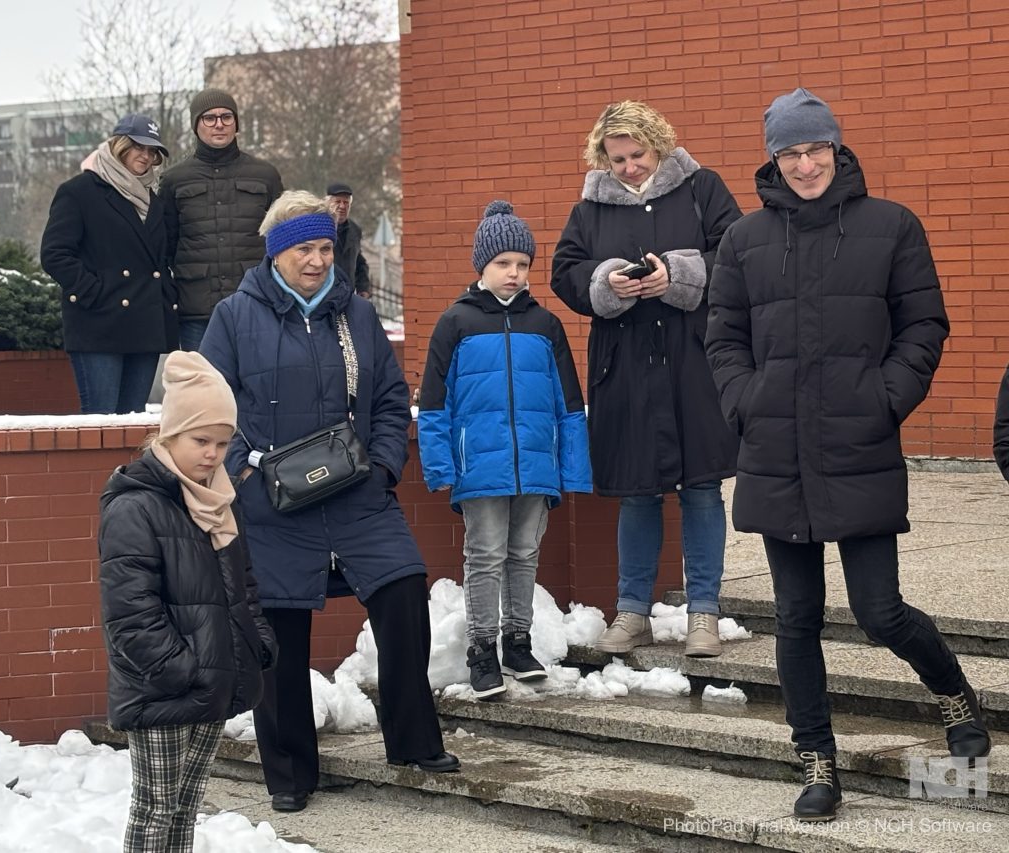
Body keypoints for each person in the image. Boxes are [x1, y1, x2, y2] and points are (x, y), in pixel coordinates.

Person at [705, 87, 990, 822]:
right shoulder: (743, 240)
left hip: (859, 442)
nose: (805, 165)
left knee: (879, 610)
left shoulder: (891, 226)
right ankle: (817, 759)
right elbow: (723, 337)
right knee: (796, 616)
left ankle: (955, 696)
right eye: (790, 153)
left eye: (816, 149)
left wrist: (884, 398)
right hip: (777, 449)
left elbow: (923, 324)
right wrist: (746, 401)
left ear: (836, 148)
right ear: (773, 159)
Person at [200, 190, 459, 813]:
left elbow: (391, 400)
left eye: (324, 248)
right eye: (303, 250)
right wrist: (245, 471)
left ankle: (413, 741)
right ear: (275, 253)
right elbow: (209, 408)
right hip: (273, 505)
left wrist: (385, 467)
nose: (317, 261)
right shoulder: (233, 317)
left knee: (404, 590)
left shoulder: (357, 315)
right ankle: (290, 774)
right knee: (280, 631)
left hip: (358, 497)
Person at [551, 100, 742, 657]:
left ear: (658, 145)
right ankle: (632, 612)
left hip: (693, 362)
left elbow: (736, 254)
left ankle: (704, 613)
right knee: (637, 493)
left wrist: (678, 275)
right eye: (618, 160)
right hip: (626, 367)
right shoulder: (590, 207)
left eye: (637, 155)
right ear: (603, 159)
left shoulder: (702, 188)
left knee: (701, 488)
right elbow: (565, 272)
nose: (629, 167)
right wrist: (607, 281)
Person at [98, 350, 277, 853]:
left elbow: (243, 587)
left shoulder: (218, 501)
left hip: (214, 679)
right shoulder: (135, 506)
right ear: (170, 434)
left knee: (185, 807)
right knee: (156, 810)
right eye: (201, 440)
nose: (212, 455)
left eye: (222, 443)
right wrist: (183, 669)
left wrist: (257, 644)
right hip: (164, 687)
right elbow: (130, 612)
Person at [418, 200, 593, 698]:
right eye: (503, 263)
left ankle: (518, 643)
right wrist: (440, 465)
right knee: (486, 555)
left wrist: (572, 468)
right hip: (481, 467)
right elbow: (434, 404)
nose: (514, 273)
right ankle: (482, 650)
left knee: (523, 554)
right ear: (482, 265)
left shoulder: (546, 325)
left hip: (535, 465)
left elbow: (569, 403)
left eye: (522, 263)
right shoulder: (456, 323)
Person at [41, 114, 178, 414]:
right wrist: (95, 292)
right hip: (98, 326)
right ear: (120, 145)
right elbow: (54, 254)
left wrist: (166, 295)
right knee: (100, 423)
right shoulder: (79, 191)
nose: (146, 156)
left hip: (145, 325)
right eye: (138, 147)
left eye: (152, 151)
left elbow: (162, 258)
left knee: (132, 423)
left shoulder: (154, 201)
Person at [159, 88, 283, 351]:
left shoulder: (265, 175)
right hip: (196, 309)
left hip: (256, 301)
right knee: (201, 377)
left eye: (226, 117)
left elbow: (282, 239)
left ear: (236, 123)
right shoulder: (173, 180)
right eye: (209, 118)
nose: (219, 124)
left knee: (258, 375)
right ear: (196, 125)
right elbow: (166, 244)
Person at [326, 181, 372, 297]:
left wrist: (363, 288)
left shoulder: (355, 230)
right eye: (338, 202)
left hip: (347, 295)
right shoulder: (319, 227)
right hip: (324, 295)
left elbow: (359, 262)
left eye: (346, 202)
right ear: (328, 203)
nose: (342, 206)